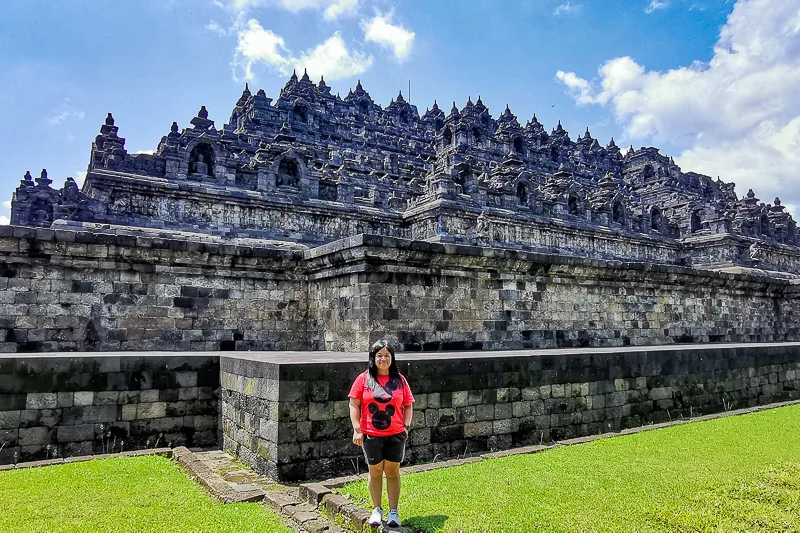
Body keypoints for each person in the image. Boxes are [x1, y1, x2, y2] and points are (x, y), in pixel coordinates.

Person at [349, 340, 414, 528]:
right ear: (373, 358)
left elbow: (408, 404)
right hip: (371, 434)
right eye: (379, 355)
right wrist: (357, 429)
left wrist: (406, 426)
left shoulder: (400, 380)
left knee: (393, 472)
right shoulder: (364, 379)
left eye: (387, 355)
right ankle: (377, 508)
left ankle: (394, 511)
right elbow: (354, 404)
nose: (383, 359)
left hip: (396, 433)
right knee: (375, 471)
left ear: (392, 358)